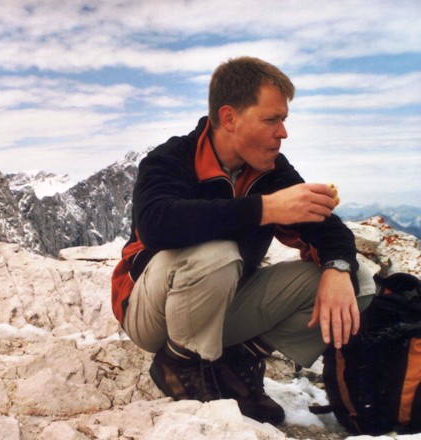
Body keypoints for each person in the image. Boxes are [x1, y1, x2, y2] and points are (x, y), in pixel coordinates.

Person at [110, 56, 375, 425]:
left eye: (283, 120)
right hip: (152, 314)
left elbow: (328, 228)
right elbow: (156, 225)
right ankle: (180, 362)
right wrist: (265, 210)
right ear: (230, 118)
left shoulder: (271, 170)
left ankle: (235, 358)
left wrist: (336, 267)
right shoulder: (170, 160)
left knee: (357, 280)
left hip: (222, 305)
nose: (282, 132)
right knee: (216, 253)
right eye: (272, 120)